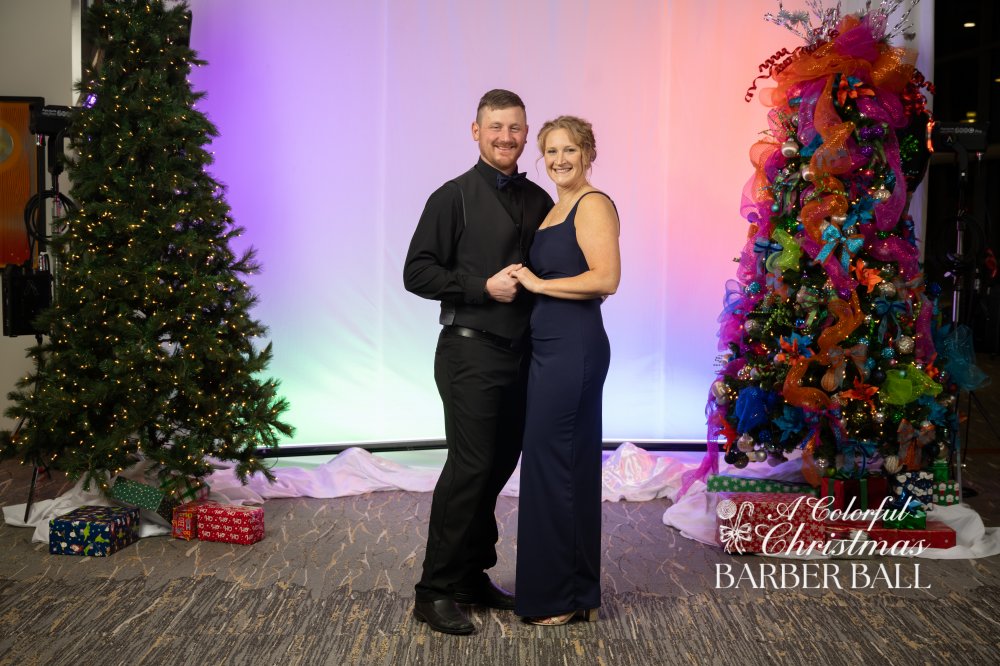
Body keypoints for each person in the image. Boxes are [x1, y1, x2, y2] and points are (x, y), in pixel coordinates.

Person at [403, 89, 554, 635]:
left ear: (526, 132)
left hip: (522, 357)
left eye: (515, 128)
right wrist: (481, 287)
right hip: (468, 352)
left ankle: (470, 576)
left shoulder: (540, 199)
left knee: (497, 467)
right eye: (495, 127)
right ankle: (434, 590)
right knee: (470, 467)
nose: (505, 137)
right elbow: (416, 272)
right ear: (476, 131)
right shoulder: (452, 197)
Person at [511, 116, 620, 625]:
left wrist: (538, 284)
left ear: (588, 153)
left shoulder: (592, 203)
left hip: (574, 347)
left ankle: (562, 596)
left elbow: (606, 278)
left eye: (569, 150)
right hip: (548, 347)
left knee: (558, 466)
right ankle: (575, 591)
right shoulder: (555, 207)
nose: (559, 160)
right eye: (551, 151)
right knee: (552, 464)